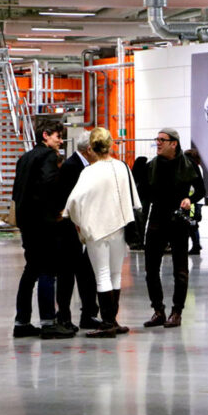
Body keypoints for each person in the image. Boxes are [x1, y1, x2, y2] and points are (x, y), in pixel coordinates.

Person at [64, 127, 141, 338]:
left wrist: (79, 223)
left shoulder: (89, 171)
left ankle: (107, 323)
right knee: (115, 274)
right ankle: (113, 320)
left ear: (90, 148)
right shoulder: (123, 166)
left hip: (97, 229)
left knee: (102, 275)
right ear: (111, 144)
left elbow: (73, 202)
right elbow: (134, 199)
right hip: (120, 228)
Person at [12, 118, 72, 339]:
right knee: (48, 270)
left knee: (31, 270)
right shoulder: (48, 156)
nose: (60, 140)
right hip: (43, 222)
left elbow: (17, 190)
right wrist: (58, 209)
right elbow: (49, 183)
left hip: (26, 222)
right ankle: (48, 321)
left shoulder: (24, 157)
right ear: (45, 135)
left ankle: (22, 322)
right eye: (57, 136)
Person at [140, 128, 205, 329]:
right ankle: (158, 310)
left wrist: (189, 199)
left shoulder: (188, 165)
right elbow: (144, 196)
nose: (158, 143)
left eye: (162, 140)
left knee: (181, 270)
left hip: (178, 221)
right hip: (156, 219)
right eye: (157, 140)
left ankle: (177, 311)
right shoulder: (151, 166)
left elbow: (201, 190)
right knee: (151, 268)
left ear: (173, 143)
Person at [55, 132, 102, 332]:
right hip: (70, 230)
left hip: (86, 229)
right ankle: (63, 316)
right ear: (88, 149)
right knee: (67, 275)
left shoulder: (88, 167)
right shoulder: (71, 167)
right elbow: (68, 200)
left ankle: (89, 314)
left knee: (87, 275)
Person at [183, 148, 205, 255]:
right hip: (195, 201)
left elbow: (197, 188)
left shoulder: (195, 168)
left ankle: (196, 245)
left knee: (192, 223)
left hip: (194, 202)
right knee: (192, 223)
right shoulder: (197, 167)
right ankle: (196, 244)